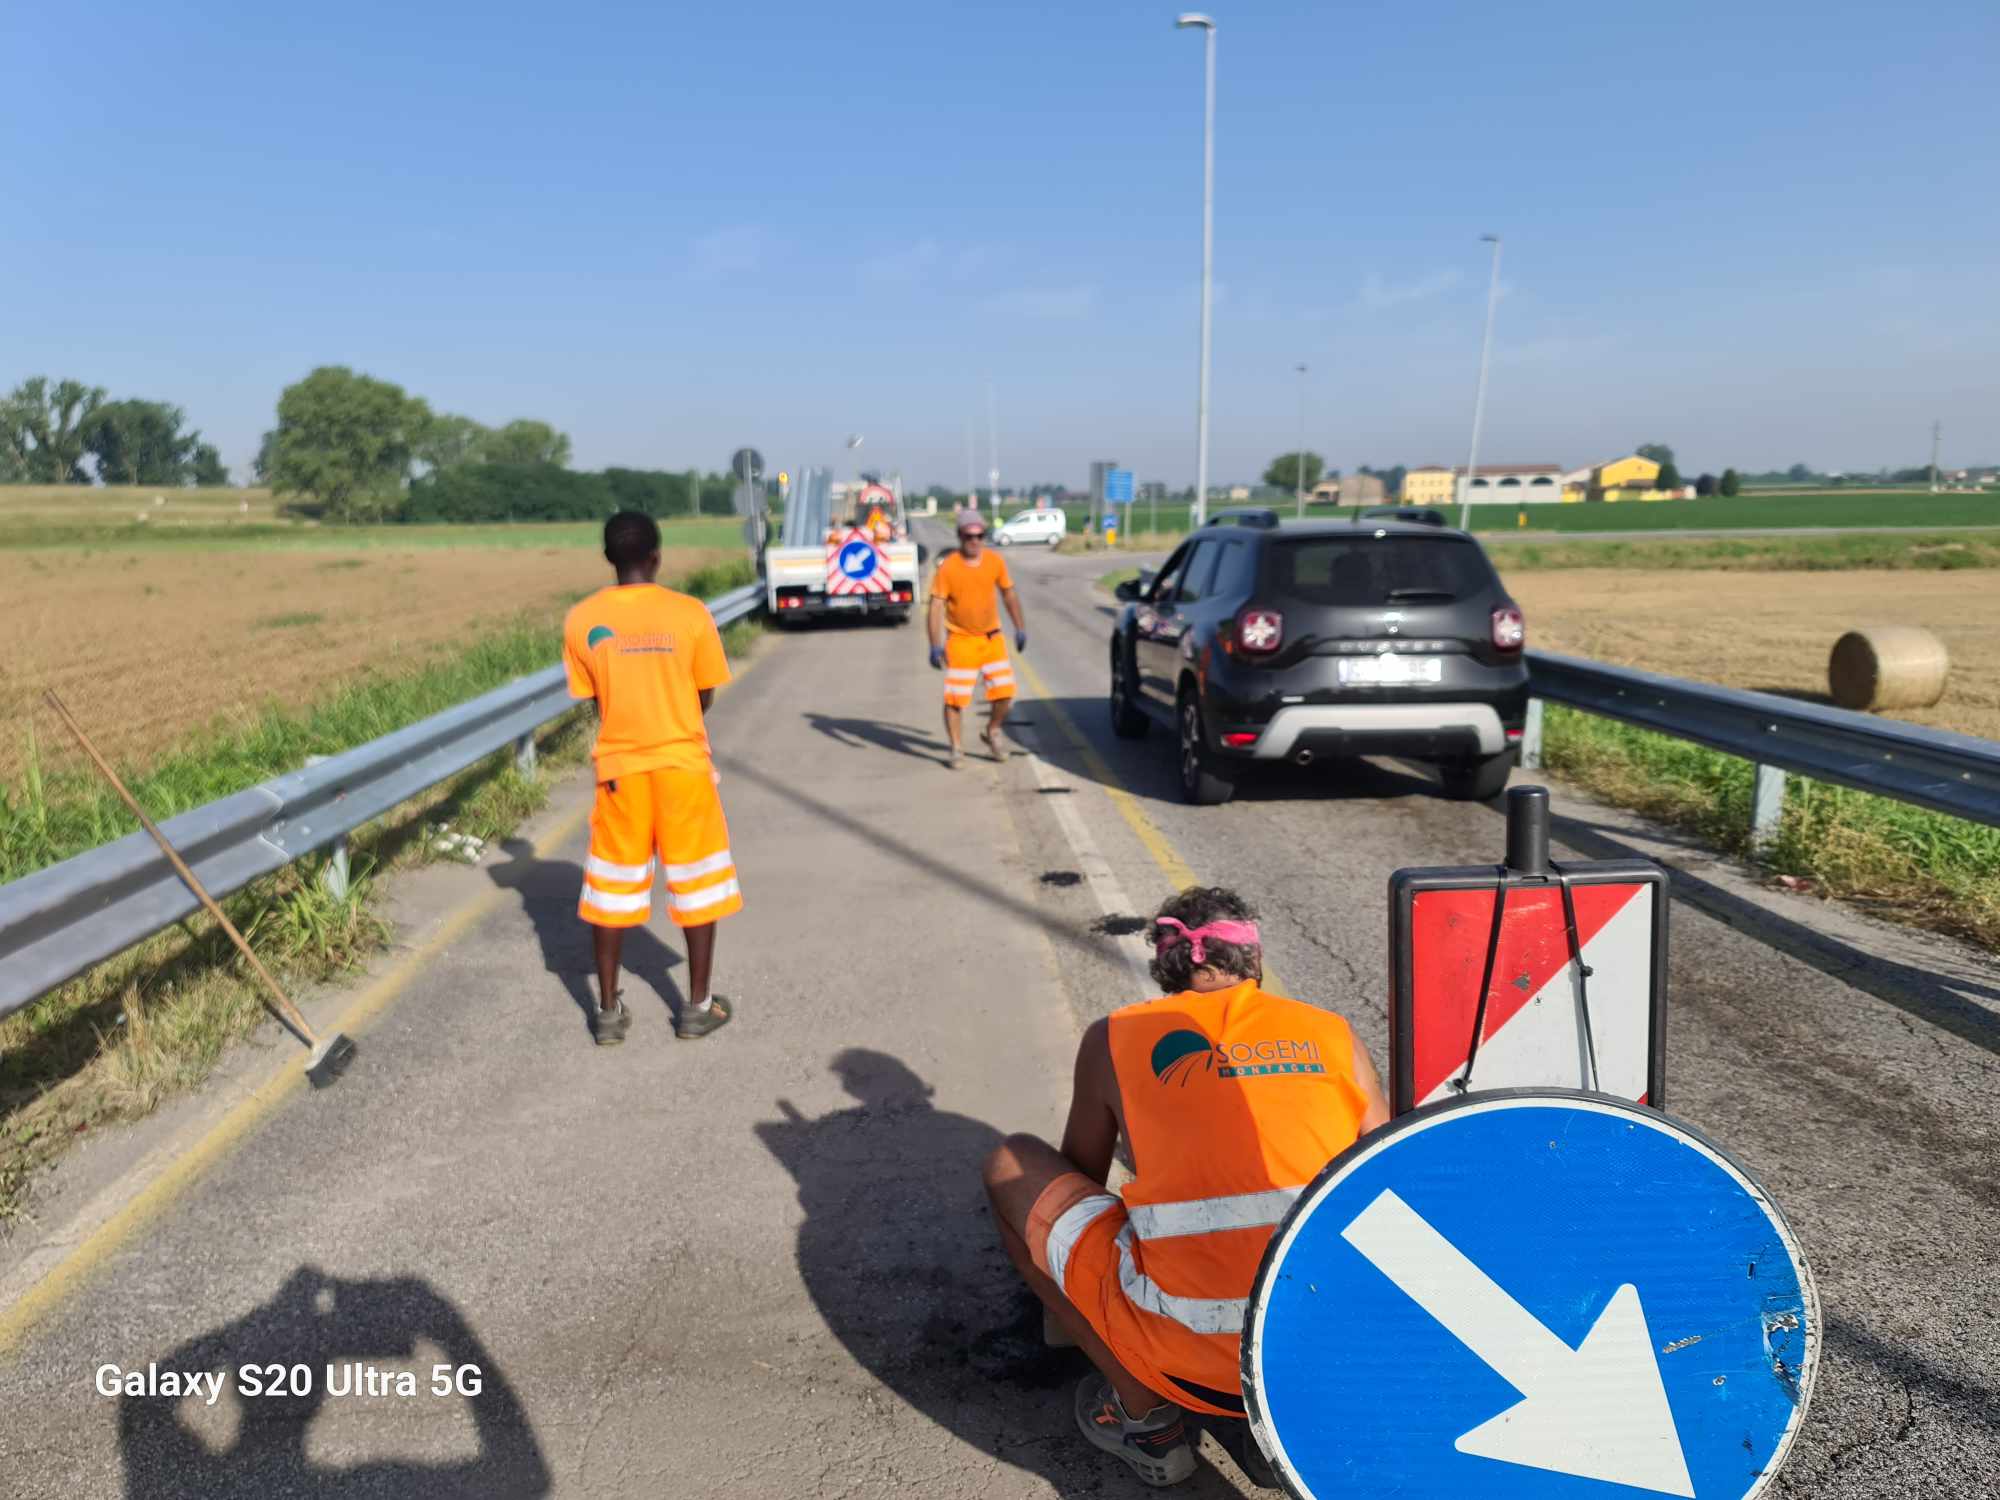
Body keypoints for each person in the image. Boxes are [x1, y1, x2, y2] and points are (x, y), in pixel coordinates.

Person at [982, 886, 1391, 1487]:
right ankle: (1274, 1435)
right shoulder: (1331, 1032)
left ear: (1169, 963)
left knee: (1010, 1164)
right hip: (1322, 1359)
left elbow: (1080, 1179)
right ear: (1252, 960)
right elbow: (1384, 1176)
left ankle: (1146, 1423)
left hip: (1182, 1357)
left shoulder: (1115, 1037)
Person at [562, 511, 741, 1045]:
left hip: (620, 772)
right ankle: (698, 1007)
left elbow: (596, 699)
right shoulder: (689, 613)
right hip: (682, 768)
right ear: (657, 556)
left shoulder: (581, 620)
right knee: (698, 883)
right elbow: (704, 691)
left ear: (608, 558)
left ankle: (609, 1012)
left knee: (611, 889)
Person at [927, 509, 1027, 767]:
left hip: (992, 639)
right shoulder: (949, 568)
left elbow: (1009, 594)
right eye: (969, 536)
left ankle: (992, 731)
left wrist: (1019, 627)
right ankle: (957, 749)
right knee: (955, 699)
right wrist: (935, 645)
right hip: (961, 641)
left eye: (980, 536)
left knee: (1005, 693)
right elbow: (936, 606)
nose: (975, 541)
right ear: (960, 536)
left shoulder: (995, 561)